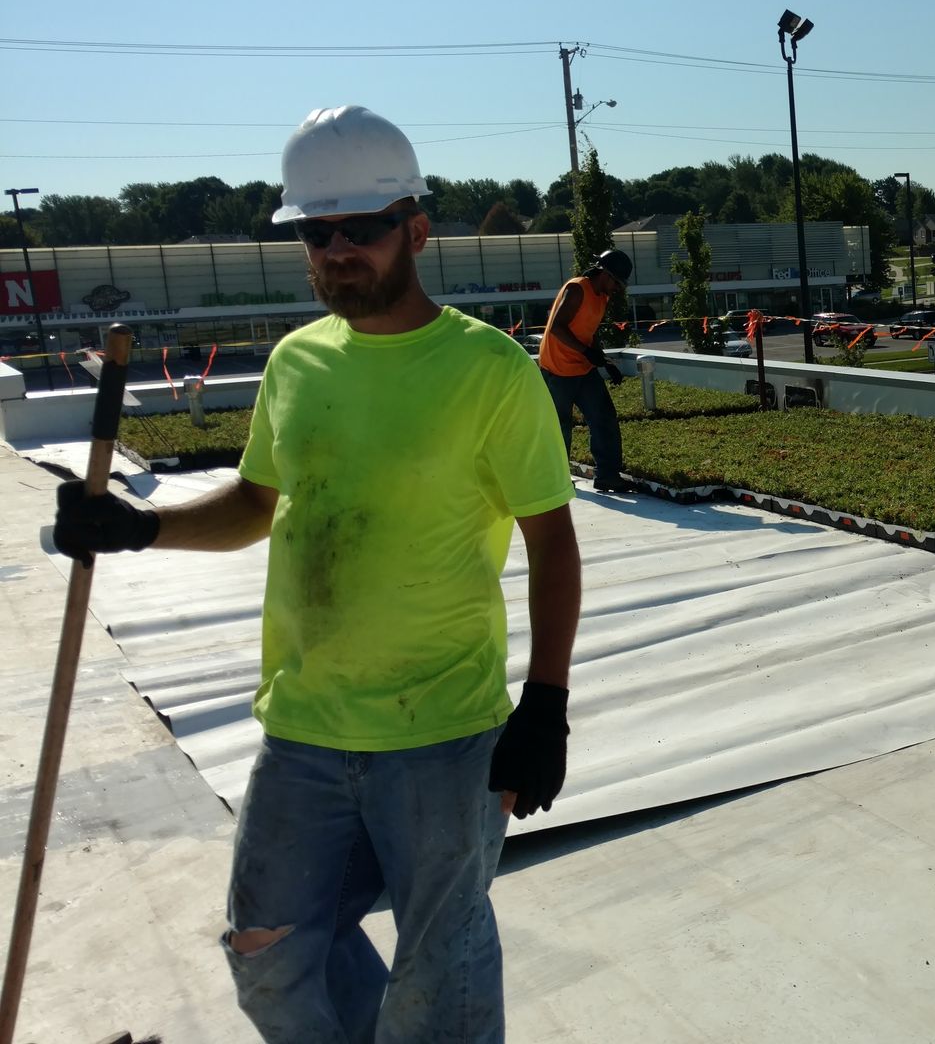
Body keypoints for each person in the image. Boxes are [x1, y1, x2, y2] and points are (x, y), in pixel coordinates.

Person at [52, 105, 580, 1042]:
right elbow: (257, 507)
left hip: (443, 733)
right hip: (303, 726)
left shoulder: (491, 372)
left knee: (437, 968)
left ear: (414, 229)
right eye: (314, 232)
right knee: (268, 952)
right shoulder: (295, 364)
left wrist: (545, 704)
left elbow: (552, 541)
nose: (337, 251)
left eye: (361, 229)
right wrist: (138, 529)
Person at [538, 249, 631, 491]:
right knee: (559, 426)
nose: (618, 289)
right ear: (605, 274)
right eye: (617, 283)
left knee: (604, 418)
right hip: (557, 369)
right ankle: (555, 478)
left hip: (583, 366)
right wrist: (586, 352)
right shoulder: (577, 288)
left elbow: (588, 331)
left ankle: (607, 475)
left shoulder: (602, 297)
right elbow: (557, 327)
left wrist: (603, 361)